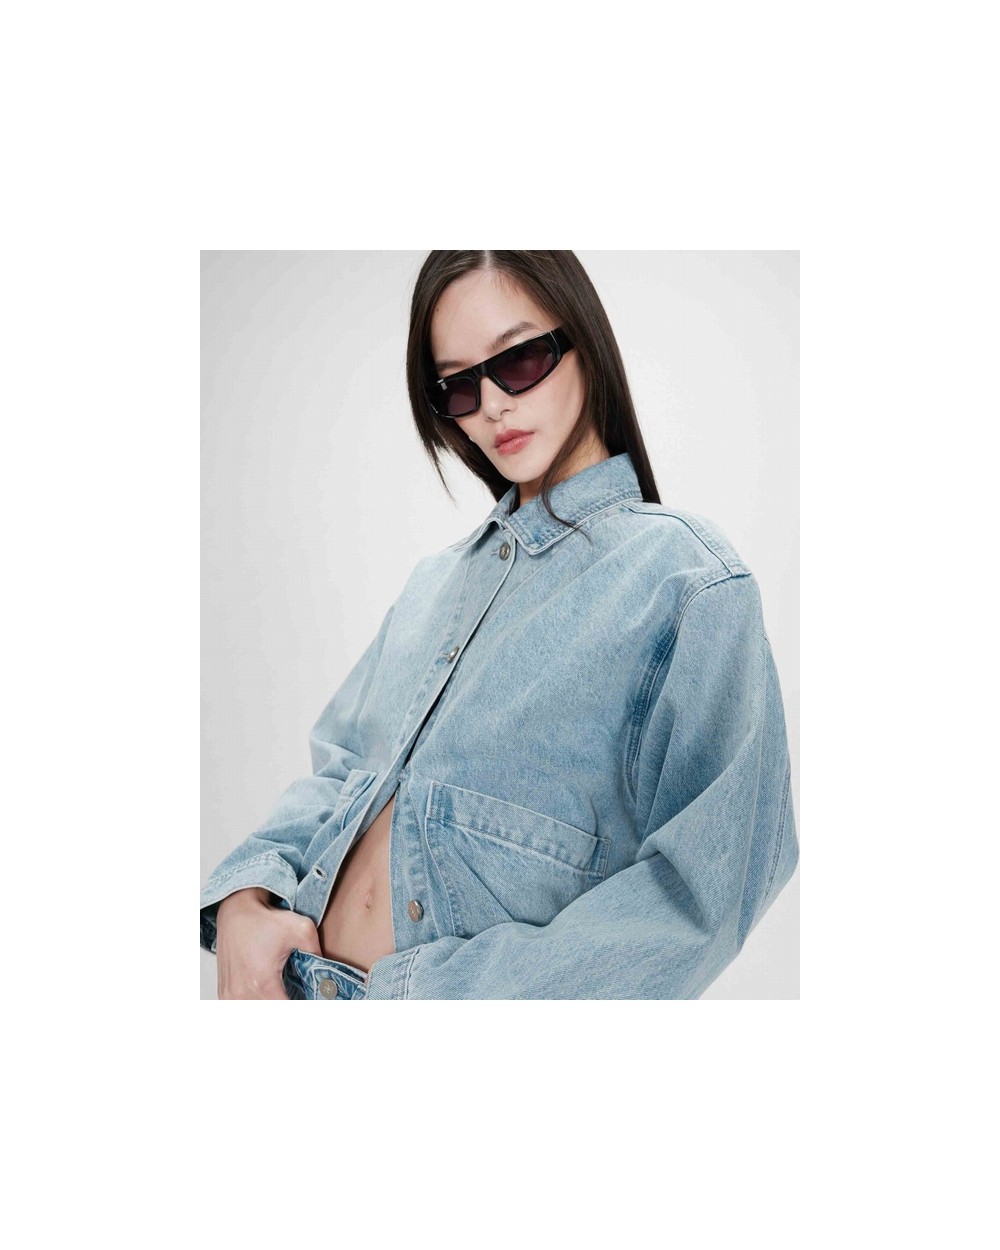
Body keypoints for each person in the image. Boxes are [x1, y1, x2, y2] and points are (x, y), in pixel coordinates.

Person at [200, 250, 799, 1000]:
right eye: (457, 384)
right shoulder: (434, 584)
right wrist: (246, 899)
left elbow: (703, 896)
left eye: (518, 360)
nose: (491, 405)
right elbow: (341, 769)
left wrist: (429, 995)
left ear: (584, 341)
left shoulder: (686, 582)